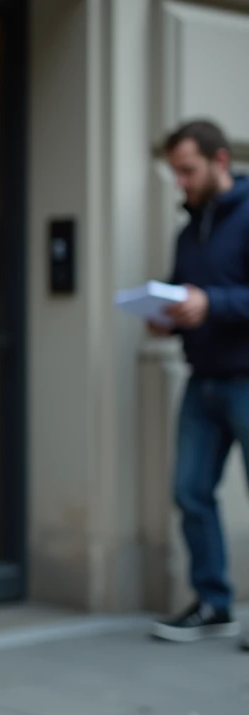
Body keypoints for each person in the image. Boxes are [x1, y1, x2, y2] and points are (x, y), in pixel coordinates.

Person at [149, 119, 249, 650]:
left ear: (218, 161)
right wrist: (166, 314)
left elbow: (221, 298)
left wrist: (213, 302)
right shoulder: (188, 231)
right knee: (190, 491)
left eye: (186, 170)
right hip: (203, 379)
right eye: (175, 173)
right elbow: (185, 293)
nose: (180, 182)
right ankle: (214, 603)